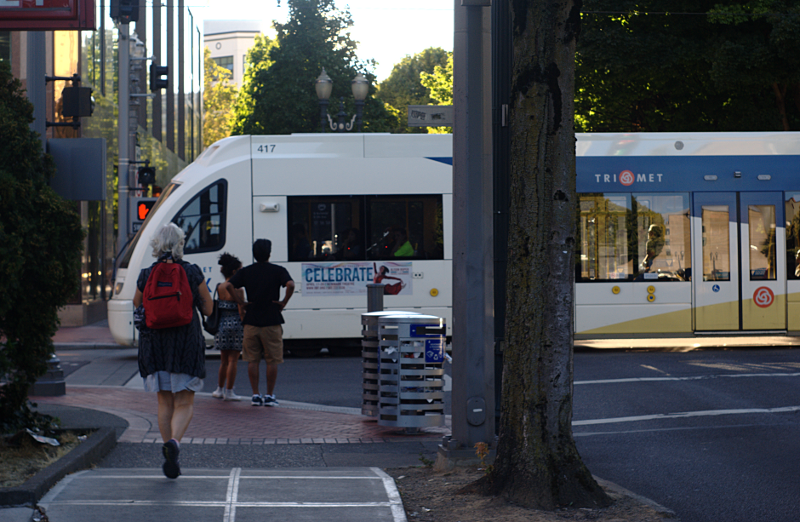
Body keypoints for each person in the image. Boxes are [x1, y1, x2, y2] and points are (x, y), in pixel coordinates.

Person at [133, 223, 214, 479]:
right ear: (181, 243)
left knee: (164, 401)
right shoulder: (191, 272)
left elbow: (138, 306)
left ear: (157, 244)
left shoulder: (146, 275)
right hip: (185, 344)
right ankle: (175, 445)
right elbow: (209, 309)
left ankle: (169, 450)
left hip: (155, 345)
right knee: (185, 401)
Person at [221, 239, 294, 407]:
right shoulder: (278, 270)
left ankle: (255, 394)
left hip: (251, 321)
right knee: (272, 360)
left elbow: (229, 286)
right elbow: (290, 284)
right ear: (269, 253)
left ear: (254, 253)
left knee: (252, 360)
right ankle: (269, 395)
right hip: (272, 321)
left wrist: (241, 302)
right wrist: (283, 302)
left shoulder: (247, 272)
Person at [210, 253, 246, 402]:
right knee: (233, 360)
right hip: (236, 325)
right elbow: (241, 310)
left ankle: (219, 389)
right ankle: (229, 391)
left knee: (223, 360)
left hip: (222, 325)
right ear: (234, 272)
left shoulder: (219, 287)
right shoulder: (238, 289)